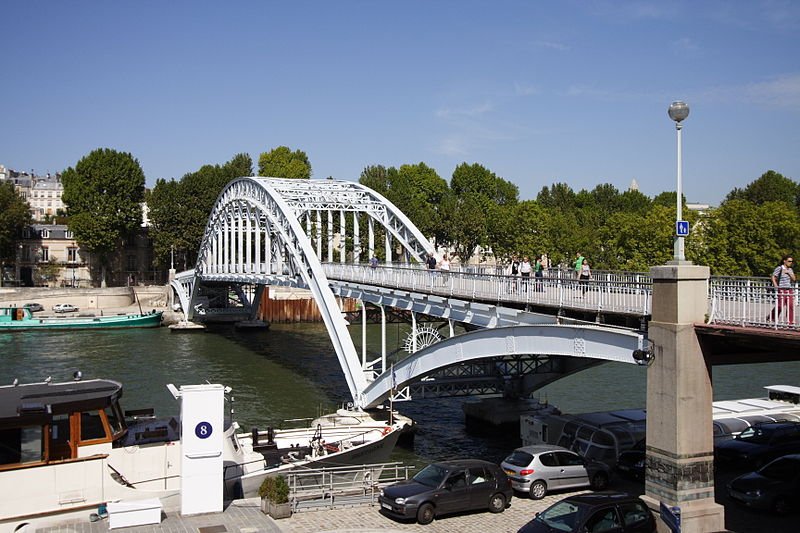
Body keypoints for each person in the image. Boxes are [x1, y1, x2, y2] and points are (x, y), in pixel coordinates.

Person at [768, 255, 796, 325]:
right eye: (789, 261)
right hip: (781, 289)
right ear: (784, 261)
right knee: (780, 305)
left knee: (790, 305)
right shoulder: (779, 268)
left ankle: (790, 322)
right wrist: (776, 286)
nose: (790, 263)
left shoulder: (790, 269)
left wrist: (788, 273)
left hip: (789, 289)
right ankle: (771, 317)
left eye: (791, 261)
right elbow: (773, 277)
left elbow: (794, 279)